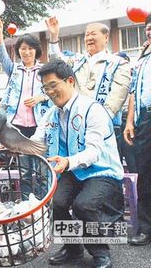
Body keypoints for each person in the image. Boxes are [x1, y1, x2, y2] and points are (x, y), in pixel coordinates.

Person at [32, 60, 123, 268]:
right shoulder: (51, 114)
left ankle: (100, 252)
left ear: (70, 81)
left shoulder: (93, 110)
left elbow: (93, 152)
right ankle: (73, 249)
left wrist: (68, 161)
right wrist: (10, 143)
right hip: (71, 170)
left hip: (101, 171)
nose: (50, 92)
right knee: (56, 202)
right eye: (45, 88)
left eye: (53, 85)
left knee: (84, 204)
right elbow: (36, 143)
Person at [0, 17, 50, 198]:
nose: (26, 52)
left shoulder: (44, 71)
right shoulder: (14, 70)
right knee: (24, 170)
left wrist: (41, 97)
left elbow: (55, 90)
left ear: (36, 51)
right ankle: (27, 204)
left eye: (30, 48)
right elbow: (1, 56)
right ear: (18, 51)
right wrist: (0, 33)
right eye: (23, 48)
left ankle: (42, 205)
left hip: (39, 125)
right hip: (18, 127)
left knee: (42, 168)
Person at [45, 16, 131, 130]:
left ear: (106, 37)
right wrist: (54, 36)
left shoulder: (119, 63)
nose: (89, 38)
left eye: (93, 34)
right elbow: (56, 62)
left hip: (104, 125)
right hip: (74, 122)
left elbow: (117, 96)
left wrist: (98, 121)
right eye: (87, 35)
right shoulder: (76, 61)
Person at [124, 14, 151, 246]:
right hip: (145, 120)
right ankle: (145, 227)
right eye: (148, 28)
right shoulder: (141, 60)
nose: (150, 31)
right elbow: (133, 91)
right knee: (144, 174)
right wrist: (130, 121)